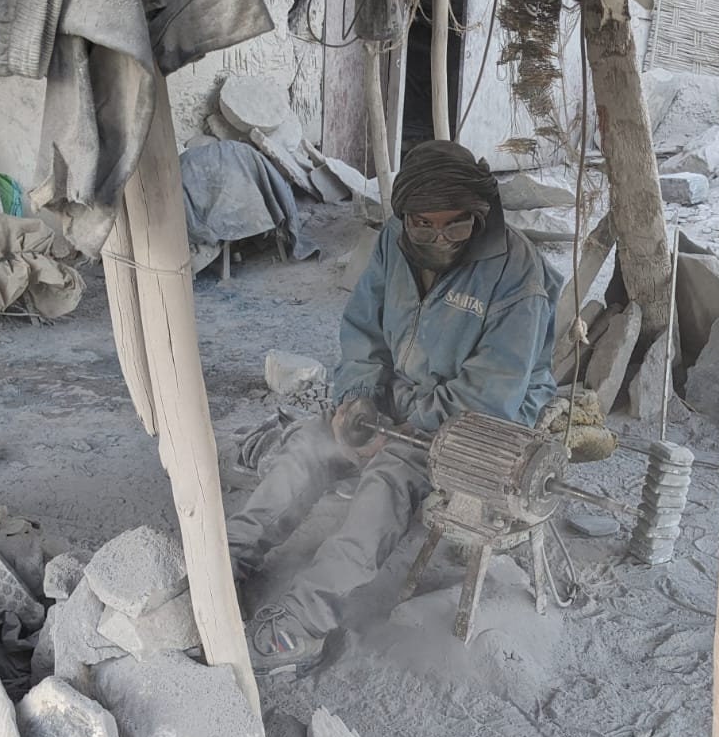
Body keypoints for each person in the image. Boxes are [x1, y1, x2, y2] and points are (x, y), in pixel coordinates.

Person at [226, 139, 562, 674]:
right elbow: (362, 331)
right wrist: (358, 399)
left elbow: (493, 388)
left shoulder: (516, 270)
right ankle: (232, 555)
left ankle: (303, 623)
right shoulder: (394, 243)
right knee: (309, 448)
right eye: (423, 225)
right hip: (398, 394)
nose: (440, 239)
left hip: (478, 420)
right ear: (404, 216)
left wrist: (404, 430)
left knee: (386, 482)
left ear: (480, 215)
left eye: (456, 226)